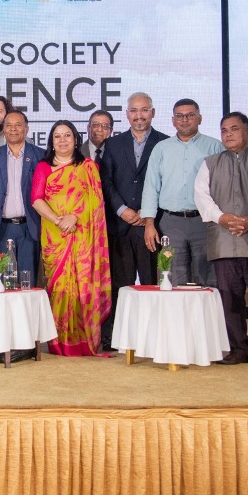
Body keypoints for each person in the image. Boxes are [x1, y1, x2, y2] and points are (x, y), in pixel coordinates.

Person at [194, 112, 248, 367]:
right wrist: (222, 218)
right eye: (224, 130)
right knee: (229, 298)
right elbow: (201, 196)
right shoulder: (209, 162)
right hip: (223, 239)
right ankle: (238, 348)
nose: (228, 134)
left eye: (234, 129)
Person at [31, 120, 111, 356]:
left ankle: (85, 341)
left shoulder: (88, 166)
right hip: (55, 236)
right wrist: (58, 220)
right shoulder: (43, 166)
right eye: (57, 136)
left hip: (83, 237)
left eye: (67, 135)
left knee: (81, 286)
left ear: (76, 139)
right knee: (58, 289)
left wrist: (75, 218)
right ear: (51, 141)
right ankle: (59, 342)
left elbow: (95, 203)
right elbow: (36, 199)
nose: (63, 140)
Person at [99, 92, 168, 350]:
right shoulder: (114, 144)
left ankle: (152, 338)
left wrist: (147, 213)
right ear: (127, 114)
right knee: (121, 284)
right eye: (133, 110)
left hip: (152, 226)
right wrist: (122, 210)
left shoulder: (165, 143)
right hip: (121, 225)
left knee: (152, 282)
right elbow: (106, 181)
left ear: (153, 112)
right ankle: (120, 338)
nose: (139, 115)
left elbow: (166, 183)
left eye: (144, 110)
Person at [140, 98, 223, 286]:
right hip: (170, 223)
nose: (184, 120)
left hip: (205, 222)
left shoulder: (215, 147)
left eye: (190, 115)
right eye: (179, 116)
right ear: (173, 120)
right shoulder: (161, 148)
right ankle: (174, 316)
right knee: (170, 276)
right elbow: (151, 186)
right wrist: (149, 224)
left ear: (200, 118)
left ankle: (206, 316)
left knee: (208, 277)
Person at [0, 109, 42, 280]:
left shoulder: (41, 156)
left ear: (26, 128)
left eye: (18, 125)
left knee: (29, 280)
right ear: (3, 129)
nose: (13, 129)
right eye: (8, 125)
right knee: (3, 281)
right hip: (2, 228)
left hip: (30, 227)